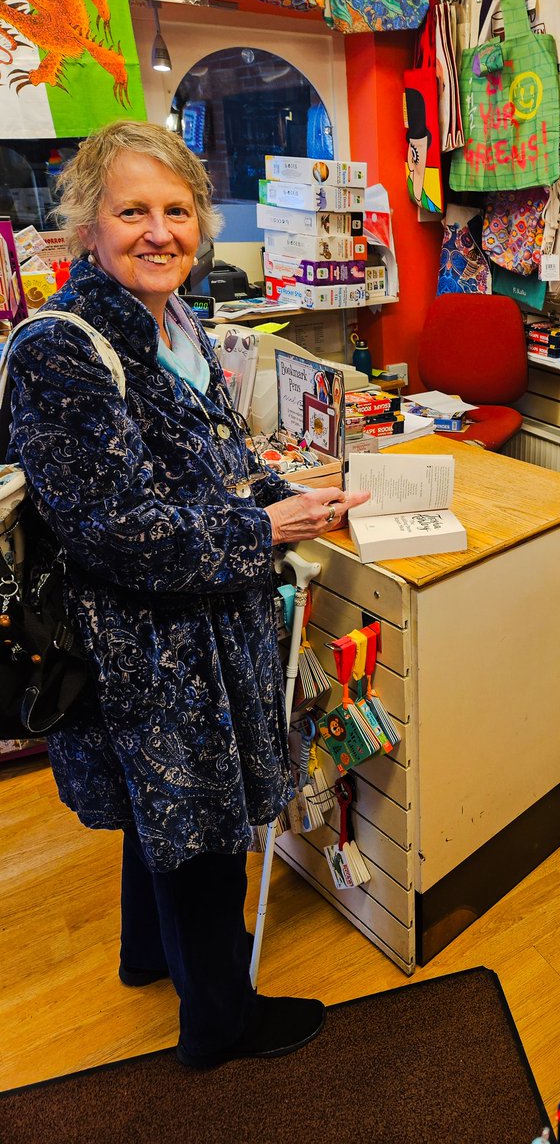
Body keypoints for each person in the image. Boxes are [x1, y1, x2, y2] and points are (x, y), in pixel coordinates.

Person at [4, 120, 369, 1067]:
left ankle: (146, 956)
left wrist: (284, 494)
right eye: (133, 211)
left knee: (161, 813)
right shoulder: (61, 349)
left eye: (177, 210)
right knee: (196, 825)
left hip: (205, 633)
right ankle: (221, 1024)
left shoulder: (177, 321)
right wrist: (264, 531)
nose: (158, 231)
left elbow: (214, 459)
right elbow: (116, 532)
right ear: (88, 224)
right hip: (147, 654)